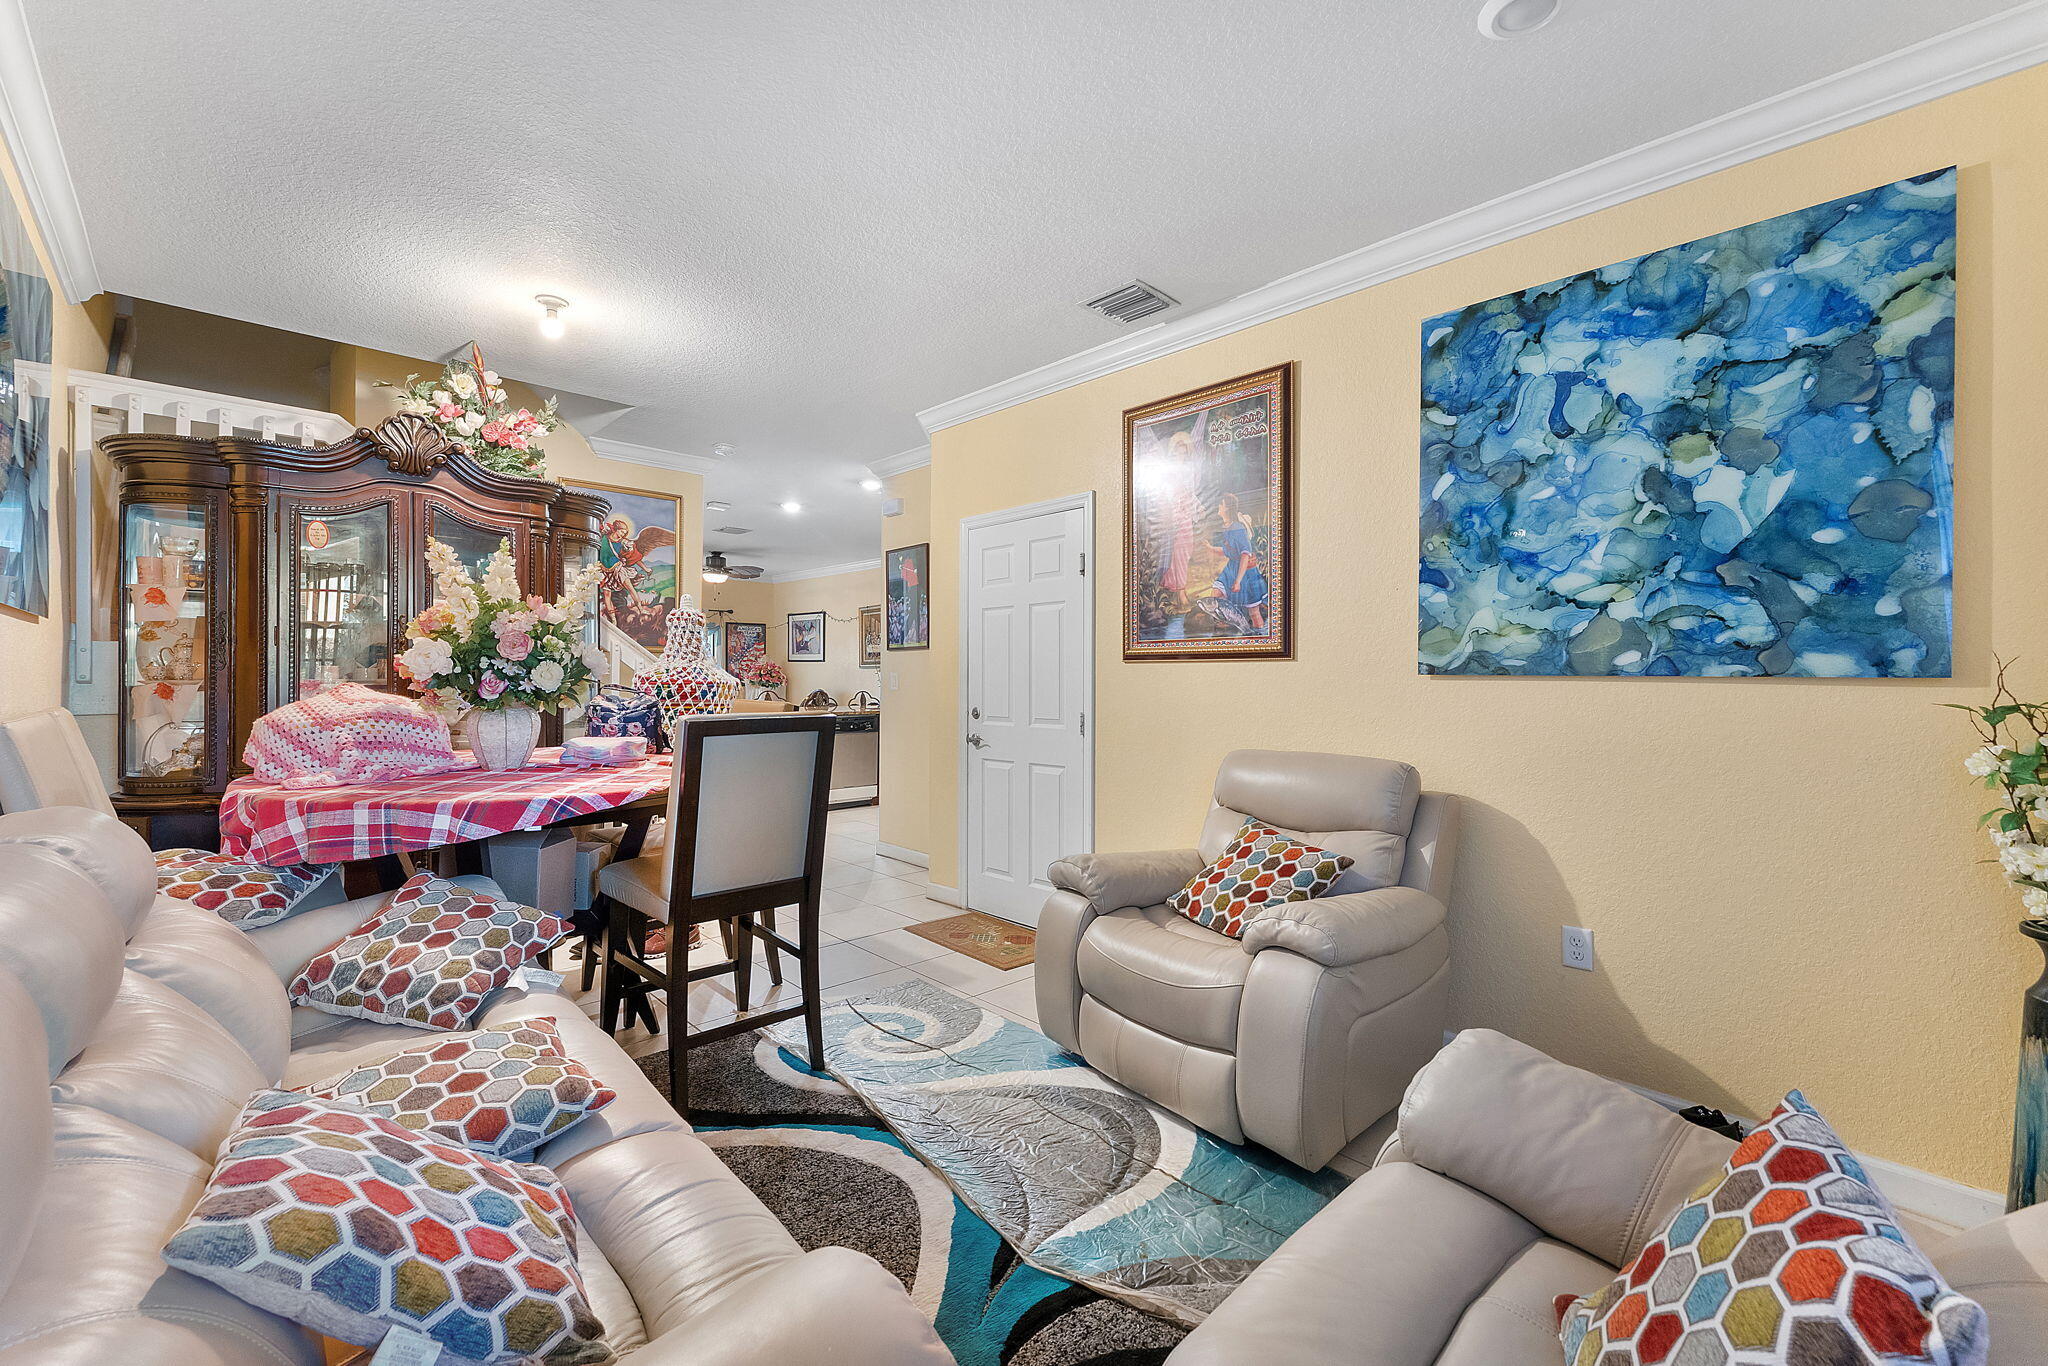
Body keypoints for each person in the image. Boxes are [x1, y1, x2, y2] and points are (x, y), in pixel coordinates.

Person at [1208, 493, 1268, 635]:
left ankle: (1260, 640)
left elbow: (1245, 554)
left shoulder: (1238, 528)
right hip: (1231, 568)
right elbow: (1229, 550)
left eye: (1220, 504)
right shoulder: (1228, 527)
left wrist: (1238, 581)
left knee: (1253, 611)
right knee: (1216, 594)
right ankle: (1227, 627)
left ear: (1227, 508)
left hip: (1245, 572)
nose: (1219, 507)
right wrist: (1210, 548)